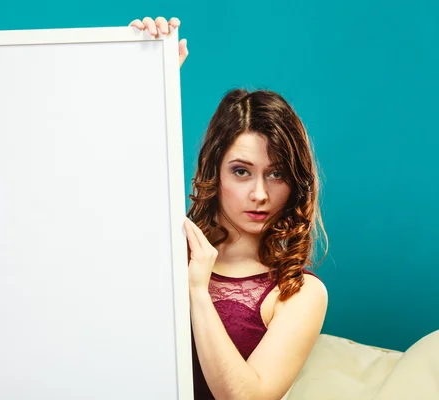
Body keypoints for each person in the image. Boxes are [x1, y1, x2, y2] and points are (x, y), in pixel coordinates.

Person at [130, 17, 330, 400]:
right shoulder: (160, 248)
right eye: (241, 171)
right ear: (214, 170)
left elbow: (246, 398)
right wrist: (147, 73)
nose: (259, 194)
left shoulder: (299, 293)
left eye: (276, 174)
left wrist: (198, 291)